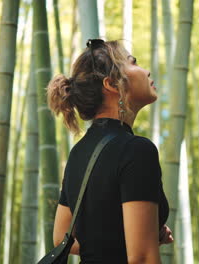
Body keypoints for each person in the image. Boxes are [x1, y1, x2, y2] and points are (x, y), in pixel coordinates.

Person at [47, 39, 173, 264]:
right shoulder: (136, 151)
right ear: (112, 84)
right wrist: (142, 242)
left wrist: (137, 236)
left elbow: (60, 237)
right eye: (133, 62)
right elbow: (142, 259)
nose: (146, 70)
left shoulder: (78, 153)